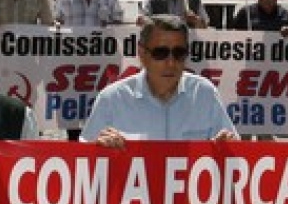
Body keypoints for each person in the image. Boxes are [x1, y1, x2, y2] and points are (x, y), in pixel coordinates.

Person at [82, 14, 237, 145]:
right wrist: (96, 148)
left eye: (179, 53)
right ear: (142, 54)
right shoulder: (112, 100)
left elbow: (236, 156)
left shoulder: (205, 95)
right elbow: (80, 164)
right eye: (160, 53)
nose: (171, 63)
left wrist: (228, 147)